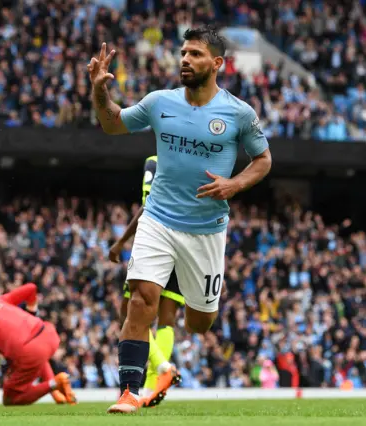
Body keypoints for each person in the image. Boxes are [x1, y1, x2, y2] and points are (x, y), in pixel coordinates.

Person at [88, 25, 272, 413]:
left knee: (200, 323)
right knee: (140, 301)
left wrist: (233, 185)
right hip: (158, 219)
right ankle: (129, 392)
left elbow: (263, 160)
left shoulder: (239, 113)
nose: (185, 59)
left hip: (206, 230)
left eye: (195, 54)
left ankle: (195, 319)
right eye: (184, 52)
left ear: (217, 63)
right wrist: (99, 90)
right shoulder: (159, 102)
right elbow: (111, 123)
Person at [109, 155, 184, 408]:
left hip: (155, 245)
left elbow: (150, 207)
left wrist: (121, 241)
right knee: (167, 317)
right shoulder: (193, 157)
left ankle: (162, 368)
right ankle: (152, 386)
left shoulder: (154, 161)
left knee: (129, 313)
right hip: (186, 243)